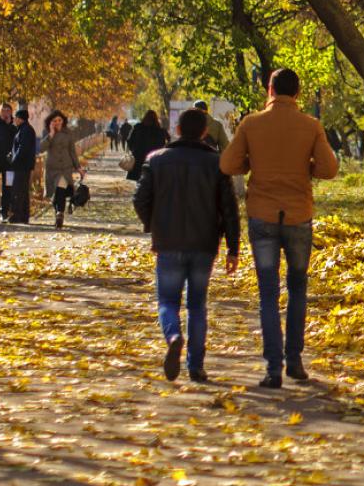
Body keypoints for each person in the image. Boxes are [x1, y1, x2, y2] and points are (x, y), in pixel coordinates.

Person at [220, 68, 339, 388]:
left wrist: (252, 163)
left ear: (269, 90)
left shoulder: (251, 123)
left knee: (268, 293)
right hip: (299, 216)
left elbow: (227, 165)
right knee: (298, 288)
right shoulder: (311, 126)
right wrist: (305, 167)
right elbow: (328, 169)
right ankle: (295, 361)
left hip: (263, 217)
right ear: (297, 93)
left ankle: (273, 368)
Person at [134, 108, 240, 383]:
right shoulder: (216, 163)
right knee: (197, 305)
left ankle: (173, 335)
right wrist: (233, 248)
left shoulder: (156, 160)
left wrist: (153, 225)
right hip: (204, 244)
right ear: (205, 132)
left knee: (167, 300)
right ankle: (196, 366)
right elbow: (229, 208)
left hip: (168, 242)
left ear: (177, 130)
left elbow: (140, 200)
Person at [39, 110, 84, 229]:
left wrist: (78, 167)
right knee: (56, 193)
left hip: (65, 168)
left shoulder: (68, 133)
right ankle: (58, 213)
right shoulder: (48, 132)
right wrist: (51, 134)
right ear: (51, 122)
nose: (58, 122)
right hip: (52, 168)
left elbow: (72, 152)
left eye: (60, 120)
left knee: (61, 188)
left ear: (63, 121)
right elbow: (41, 148)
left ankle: (60, 213)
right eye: (55, 121)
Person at [7, 109, 38, 225]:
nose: (14, 119)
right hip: (23, 165)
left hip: (21, 166)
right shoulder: (23, 129)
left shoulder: (25, 130)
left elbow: (22, 148)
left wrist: (13, 160)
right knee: (23, 191)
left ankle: (17, 215)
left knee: (18, 191)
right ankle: (23, 215)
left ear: (20, 118)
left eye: (15, 117)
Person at [126, 111, 169, 182]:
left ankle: (140, 192)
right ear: (156, 119)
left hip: (138, 159)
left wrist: (134, 150)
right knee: (152, 180)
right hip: (154, 160)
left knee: (138, 180)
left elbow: (130, 141)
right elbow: (164, 144)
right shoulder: (160, 131)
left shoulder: (138, 128)